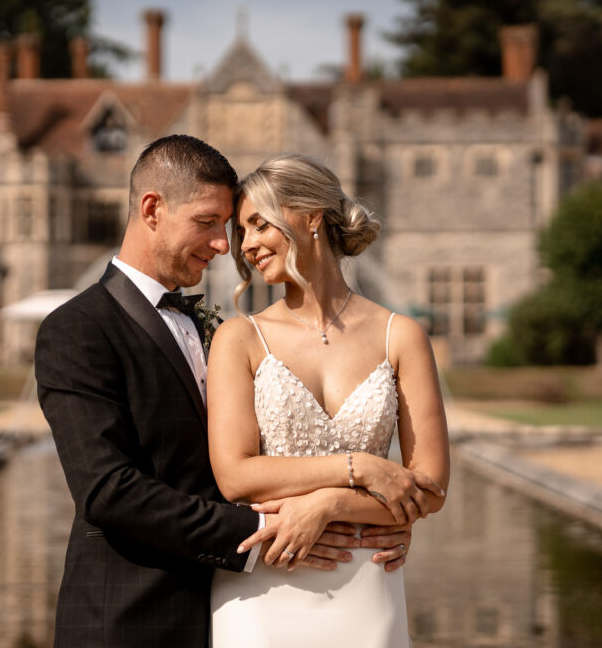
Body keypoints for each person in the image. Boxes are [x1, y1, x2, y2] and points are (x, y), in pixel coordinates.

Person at [35, 136, 412, 648]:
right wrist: (264, 531)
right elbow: (109, 493)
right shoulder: (77, 328)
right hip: (129, 619)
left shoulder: (213, 326)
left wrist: (358, 512)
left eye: (228, 228)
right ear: (152, 209)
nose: (224, 246)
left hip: (230, 607)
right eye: (209, 223)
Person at [207, 153, 451, 647]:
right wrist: (359, 468)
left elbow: (430, 489)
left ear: (310, 216)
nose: (246, 245)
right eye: (243, 231)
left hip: (367, 584)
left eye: (258, 224)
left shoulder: (400, 336)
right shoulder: (239, 338)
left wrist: (329, 503)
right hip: (263, 589)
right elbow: (235, 476)